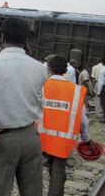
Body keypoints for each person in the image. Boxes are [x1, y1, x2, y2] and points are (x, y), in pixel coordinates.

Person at [0, 17, 48, 196]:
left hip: (2, 139)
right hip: (31, 137)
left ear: (2, 37)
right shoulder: (40, 68)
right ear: (26, 40)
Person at [39, 55, 92, 196]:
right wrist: (87, 139)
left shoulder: (41, 86)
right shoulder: (75, 91)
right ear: (65, 71)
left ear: (49, 68)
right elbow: (83, 120)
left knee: (34, 172)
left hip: (40, 138)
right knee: (58, 173)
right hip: (62, 142)